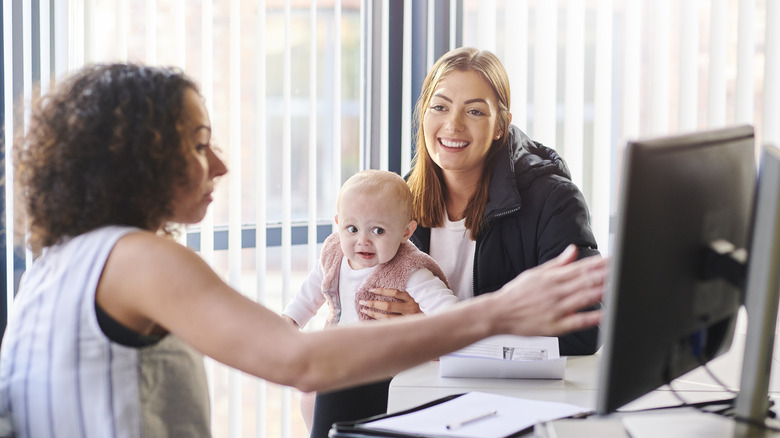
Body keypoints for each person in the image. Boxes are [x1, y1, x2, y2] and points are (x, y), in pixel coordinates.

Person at [0, 63, 605, 438]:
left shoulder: (64, 256)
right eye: (199, 144)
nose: (222, 165)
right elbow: (299, 360)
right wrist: (501, 312)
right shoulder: (136, 259)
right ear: (140, 159)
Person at [310, 47, 602, 436]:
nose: (453, 125)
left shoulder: (552, 199)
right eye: (440, 107)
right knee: (333, 381)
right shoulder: (398, 201)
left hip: (503, 392)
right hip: (417, 381)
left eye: (475, 111)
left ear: (501, 124)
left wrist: (432, 330)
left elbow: (582, 331)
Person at [283, 169, 459, 430]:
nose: (362, 241)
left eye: (378, 230)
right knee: (310, 398)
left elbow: (451, 313)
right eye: (352, 228)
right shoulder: (334, 255)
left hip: (385, 368)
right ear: (338, 223)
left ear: (406, 231)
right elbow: (308, 296)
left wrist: (427, 328)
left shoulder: (409, 269)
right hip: (337, 359)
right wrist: (289, 323)